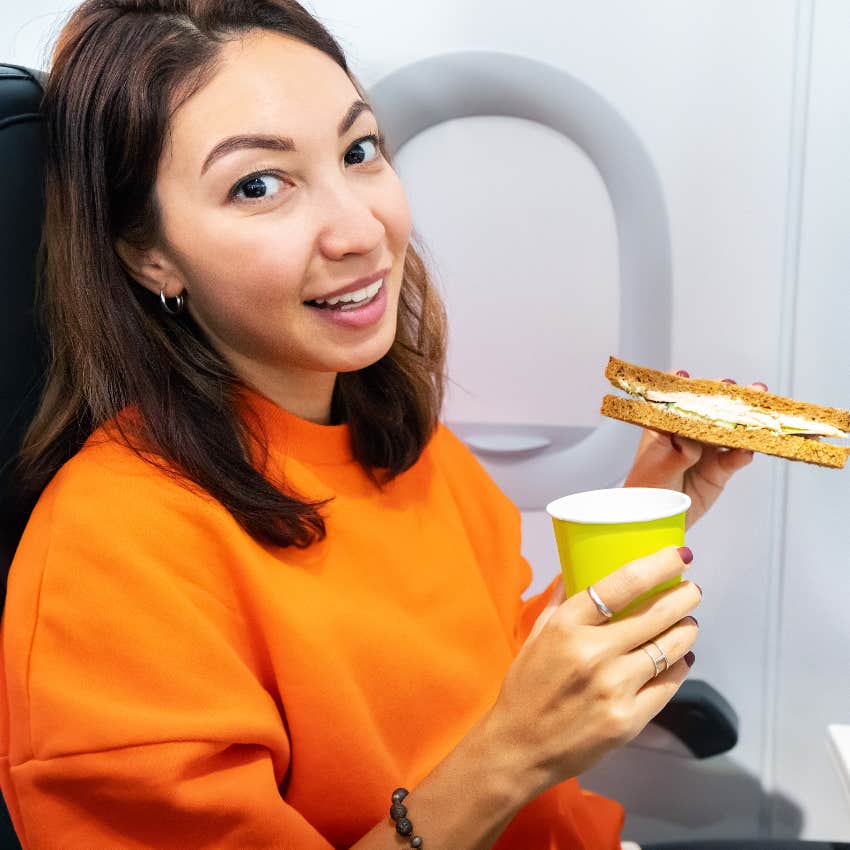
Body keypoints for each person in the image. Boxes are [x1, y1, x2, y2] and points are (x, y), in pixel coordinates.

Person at [0, 2, 766, 848]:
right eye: (259, 185)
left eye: (359, 151)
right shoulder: (109, 560)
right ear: (149, 253)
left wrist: (652, 505)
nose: (363, 231)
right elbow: (509, 731)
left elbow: (498, 674)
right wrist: (513, 755)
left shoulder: (399, 440)